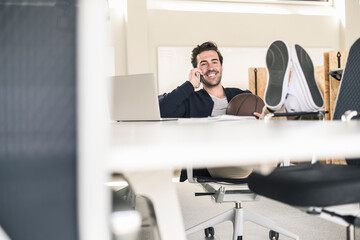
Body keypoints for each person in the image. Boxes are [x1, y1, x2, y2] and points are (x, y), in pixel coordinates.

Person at [159, 41, 257, 181]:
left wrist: (261, 121)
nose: (211, 68)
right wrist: (190, 85)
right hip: (208, 164)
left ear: (221, 67)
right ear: (196, 71)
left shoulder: (242, 97)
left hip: (241, 157)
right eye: (204, 64)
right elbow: (161, 110)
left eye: (214, 62)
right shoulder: (190, 100)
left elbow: (263, 120)